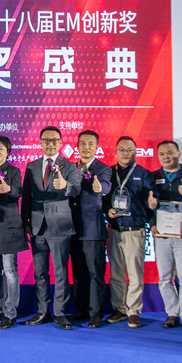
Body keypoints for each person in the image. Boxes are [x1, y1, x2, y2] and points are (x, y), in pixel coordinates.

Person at [21, 126, 81, 330]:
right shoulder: (31, 166)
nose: (50, 143)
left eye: (54, 140)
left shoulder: (69, 166)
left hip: (60, 225)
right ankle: (43, 311)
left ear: (61, 143)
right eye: (46, 140)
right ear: (40, 142)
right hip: (37, 225)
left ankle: (60, 313)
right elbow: (27, 196)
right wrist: (25, 222)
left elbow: (77, 188)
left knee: (61, 272)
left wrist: (66, 186)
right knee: (40, 273)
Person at [103, 136, 157, 328]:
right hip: (114, 230)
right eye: (122, 150)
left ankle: (134, 311)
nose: (126, 153)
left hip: (135, 230)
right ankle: (119, 308)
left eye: (130, 150)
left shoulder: (144, 174)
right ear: (116, 152)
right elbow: (103, 199)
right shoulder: (108, 173)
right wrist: (107, 211)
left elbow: (152, 201)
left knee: (135, 273)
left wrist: (153, 204)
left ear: (136, 152)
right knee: (116, 273)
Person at [149, 140, 182, 332]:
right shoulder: (154, 176)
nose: (166, 157)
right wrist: (152, 223)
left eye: (170, 153)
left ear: (178, 153)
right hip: (161, 233)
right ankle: (172, 313)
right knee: (165, 277)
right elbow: (149, 204)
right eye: (162, 154)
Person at [0, 135, 28, 330]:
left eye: (1, 149)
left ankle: (10, 313)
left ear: (8, 152)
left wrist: (9, 188)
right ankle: (0, 308)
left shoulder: (14, 171)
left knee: (10, 269)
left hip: (8, 228)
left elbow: (19, 192)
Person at [69, 130, 112, 329]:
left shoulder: (103, 169)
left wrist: (99, 188)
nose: (86, 148)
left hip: (92, 229)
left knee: (95, 273)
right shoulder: (70, 168)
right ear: (77, 146)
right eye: (83, 144)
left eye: (90, 144)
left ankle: (95, 313)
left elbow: (105, 186)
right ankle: (81, 309)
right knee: (78, 273)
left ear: (97, 147)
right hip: (72, 229)